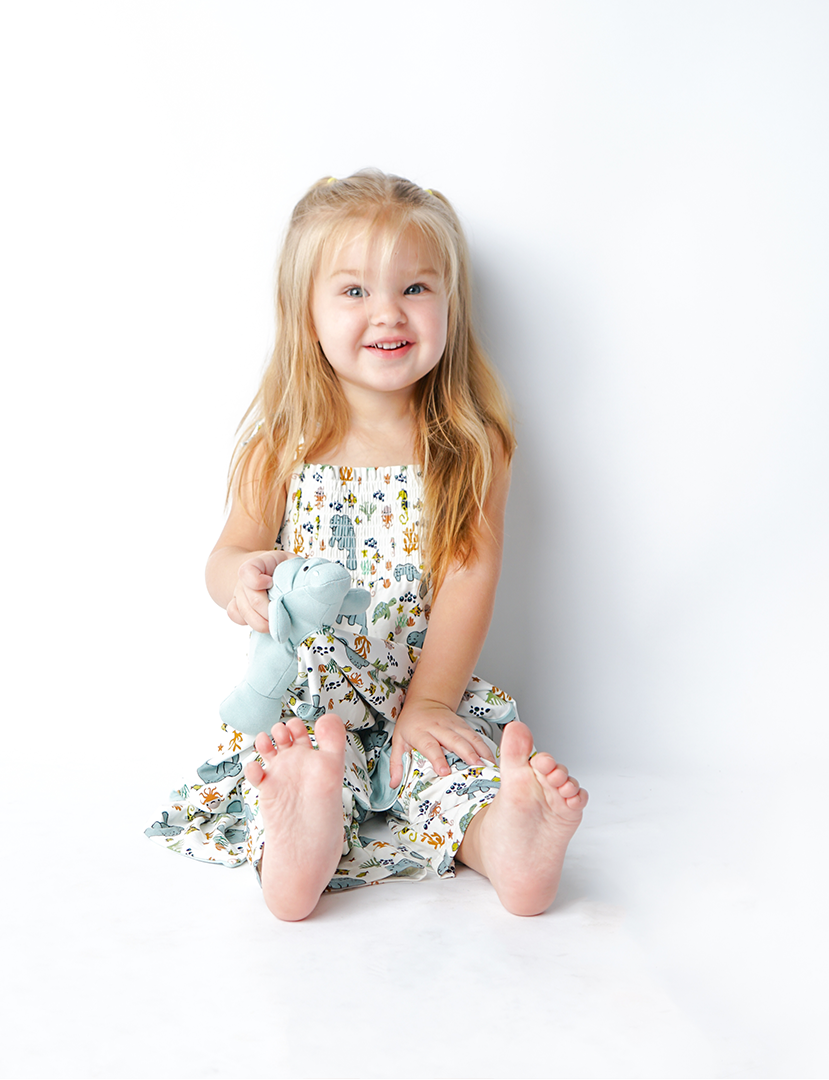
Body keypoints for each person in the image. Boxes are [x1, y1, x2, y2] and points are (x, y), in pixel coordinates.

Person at [145, 169, 588, 921]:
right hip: (311, 704)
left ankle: (506, 844)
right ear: (306, 314)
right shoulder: (281, 444)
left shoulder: (470, 446)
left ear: (450, 304)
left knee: (451, 774)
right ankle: (298, 844)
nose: (389, 312)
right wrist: (240, 582)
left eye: (416, 288)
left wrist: (432, 703)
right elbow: (225, 557)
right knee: (301, 767)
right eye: (354, 291)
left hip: (424, 691)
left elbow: (469, 579)